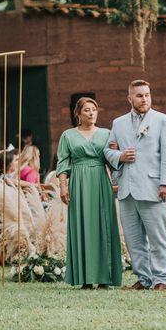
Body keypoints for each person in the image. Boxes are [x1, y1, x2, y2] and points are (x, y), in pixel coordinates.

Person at [104, 80, 166, 291]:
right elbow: (108, 151)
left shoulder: (164, 120)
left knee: (158, 238)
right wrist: (120, 156)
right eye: (139, 95)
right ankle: (143, 279)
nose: (144, 99)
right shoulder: (118, 123)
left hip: (155, 188)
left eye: (146, 95)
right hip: (126, 190)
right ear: (130, 98)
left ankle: (161, 280)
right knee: (133, 239)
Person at [57, 97, 122, 289]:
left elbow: (114, 160)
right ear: (78, 113)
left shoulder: (107, 134)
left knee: (104, 225)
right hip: (78, 182)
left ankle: (105, 278)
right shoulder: (68, 135)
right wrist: (63, 186)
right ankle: (85, 277)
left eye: (94, 109)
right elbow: (62, 162)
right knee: (82, 226)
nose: (91, 113)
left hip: (101, 181)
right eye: (87, 110)